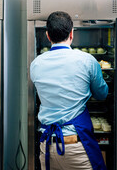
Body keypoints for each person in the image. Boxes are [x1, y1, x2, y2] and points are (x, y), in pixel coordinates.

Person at [30, 11, 109, 170]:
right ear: (72, 33)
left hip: (47, 146)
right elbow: (102, 94)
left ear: (47, 35)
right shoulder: (86, 60)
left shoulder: (36, 64)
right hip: (77, 146)